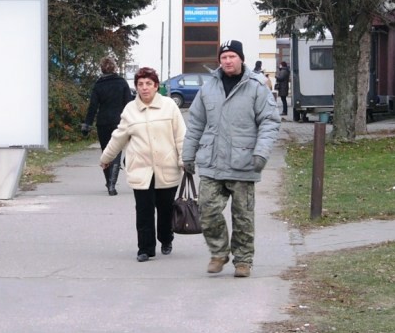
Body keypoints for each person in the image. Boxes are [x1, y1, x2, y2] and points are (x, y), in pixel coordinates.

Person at [182, 40, 281, 278]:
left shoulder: (256, 87)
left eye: (232, 56)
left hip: (244, 161)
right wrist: (188, 155)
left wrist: (261, 152)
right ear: (219, 60)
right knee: (207, 210)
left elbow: (270, 121)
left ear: (241, 59)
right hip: (212, 162)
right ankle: (219, 252)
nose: (227, 61)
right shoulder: (209, 88)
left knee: (243, 217)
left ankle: (243, 261)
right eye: (223, 57)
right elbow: (195, 123)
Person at [100, 67, 186, 262]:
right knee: (144, 210)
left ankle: (166, 238)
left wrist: (184, 160)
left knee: (165, 210)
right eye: (140, 84)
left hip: (167, 167)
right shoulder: (130, 109)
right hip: (141, 169)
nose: (144, 88)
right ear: (136, 87)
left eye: (148, 84)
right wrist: (106, 158)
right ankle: (145, 248)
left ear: (156, 86)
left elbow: (181, 136)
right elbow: (118, 137)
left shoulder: (169, 106)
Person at [82, 56, 133, 196]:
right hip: (120, 121)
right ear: (114, 68)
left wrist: (87, 124)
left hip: (103, 122)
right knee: (116, 150)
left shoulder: (99, 85)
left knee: (106, 152)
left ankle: (108, 181)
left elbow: (93, 106)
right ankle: (112, 183)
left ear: (101, 69)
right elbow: (129, 103)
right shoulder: (122, 83)